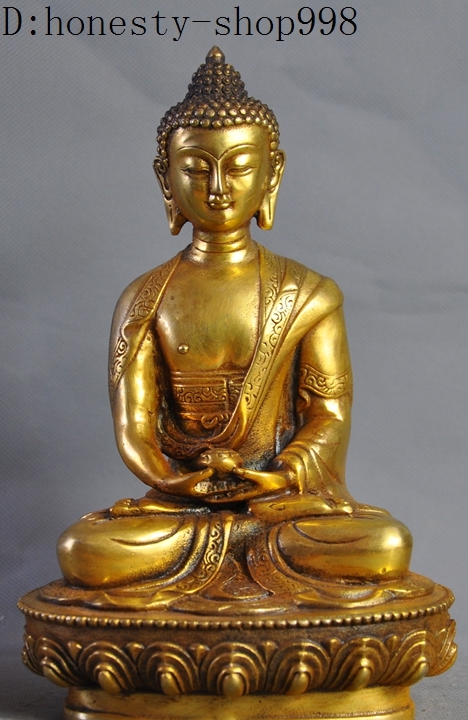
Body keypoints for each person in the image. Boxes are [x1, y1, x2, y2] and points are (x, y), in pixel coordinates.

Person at [57, 48, 412, 610]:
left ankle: (247, 560)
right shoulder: (144, 299)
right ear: (165, 177)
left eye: (240, 166)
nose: (218, 187)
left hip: (278, 507)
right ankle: (232, 566)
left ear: (273, 173)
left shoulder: (310, 294)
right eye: (197, 168)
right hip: (184, 509)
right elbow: (135, 428)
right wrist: (175, 482)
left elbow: (327, 416)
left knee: (384, 544)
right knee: (87, 550)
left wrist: (279, 477)